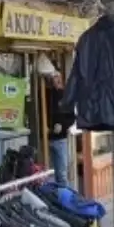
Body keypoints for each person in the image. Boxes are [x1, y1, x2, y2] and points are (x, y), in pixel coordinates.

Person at [39, 56, 74, 185]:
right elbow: (39, 113)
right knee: (47, 175)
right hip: (45, 139)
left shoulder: (66, 96)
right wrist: (44, 127)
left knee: (62, 174)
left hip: (60, 139)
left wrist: (62, 126)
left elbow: (71, 118)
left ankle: (64, 200)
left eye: (59, 78)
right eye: (54, 78)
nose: (57, 81)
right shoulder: (44, 94)